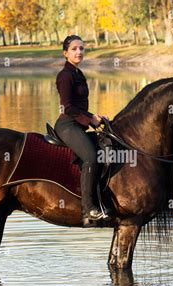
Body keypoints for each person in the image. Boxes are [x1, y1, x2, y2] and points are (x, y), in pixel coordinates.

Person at [54, 35, 108, 223]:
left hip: (78, 123)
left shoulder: (78, 73)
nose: (79, 52)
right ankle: (88, 209)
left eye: (82, 49)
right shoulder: (65, 75)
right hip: (67, 124)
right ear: (65, 53)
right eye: (74, 49)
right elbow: (67, 107)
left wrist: (96, 118)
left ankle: (101, 200)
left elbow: (80, 107)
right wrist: (90, 119)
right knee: (91, 157)